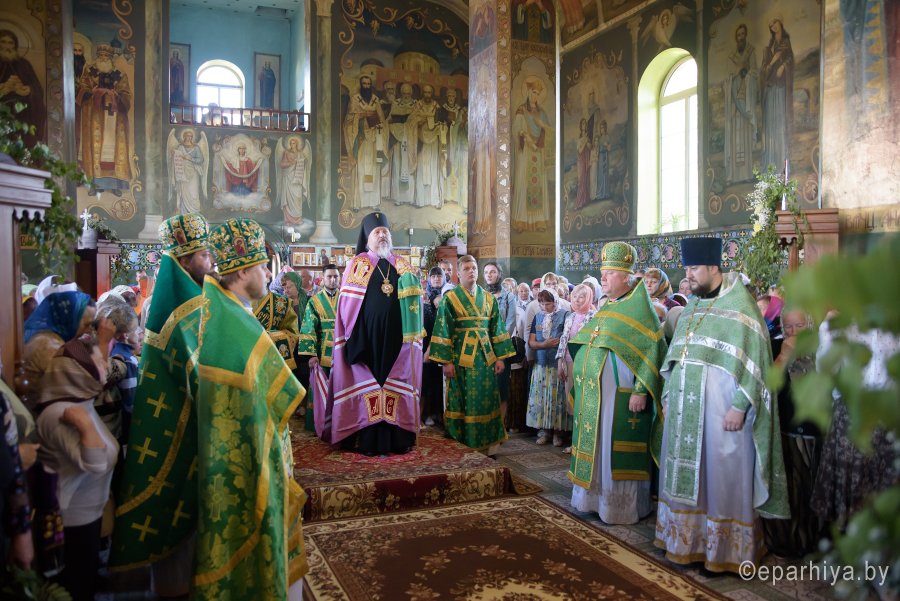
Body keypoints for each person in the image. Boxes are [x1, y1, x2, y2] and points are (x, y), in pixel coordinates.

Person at [655, 237, 788, 573]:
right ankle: (687, 543)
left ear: (714, 267)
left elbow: (756, 365)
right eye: (687, 268)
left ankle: (723, 551)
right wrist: (668, 396)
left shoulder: (741, 306)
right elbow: (676, 356)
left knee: (721, 477)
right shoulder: (693, 305)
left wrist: (740, 406)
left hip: (723, 414)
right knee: (691, 478)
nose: (689, 275)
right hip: (685, 412)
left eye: (695, 268)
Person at [195, 218, 307, 599]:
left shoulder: (220, 312)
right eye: (262, 265)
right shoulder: (237, 329)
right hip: (251, 462)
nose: (268, 274)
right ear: (242, 270)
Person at [109, 213, 214, 597]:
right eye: (204, 255)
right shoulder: (182, 308)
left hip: (176, 419)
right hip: (178, 423)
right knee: (175, 512)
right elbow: (200, 373)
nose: (211, 262)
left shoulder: (188, 302)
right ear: (185, 260)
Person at [567, 243, 667, 523]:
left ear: (626, 276)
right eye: (603, 272)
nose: (603, 278)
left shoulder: (641, 309)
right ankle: (593, 499)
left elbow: (652, 351)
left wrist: (641, 390)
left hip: (621, 397)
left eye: (609, 273)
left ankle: (618, 507)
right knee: (597, 445)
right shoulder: (608, 306)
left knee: (614, 448)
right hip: (594, 396)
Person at [36, 313, 118, 601]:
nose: (104, 368)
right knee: (76, 588)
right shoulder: (61, 413)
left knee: (86, 584)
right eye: (97, 364)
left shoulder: (79, 400)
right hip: (71, 519)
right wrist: (85, 426)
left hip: (87, 514)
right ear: (77, 373)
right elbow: (95, 463)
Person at [326, 212, 423, 454]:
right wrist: (354, 338)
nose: (382, 235)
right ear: (367, 238)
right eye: (377, 232)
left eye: (385, 232)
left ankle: (397, 439)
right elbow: (347, 307)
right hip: (366, 339)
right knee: (370, 384)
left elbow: (415, 304)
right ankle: (368, 441)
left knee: (394, 382)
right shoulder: (357, 264)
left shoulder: (402, 266)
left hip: (397, 341)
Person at [429, 256, 514, 453]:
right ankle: (461, 443)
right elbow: (443, 330)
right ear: (458, 273)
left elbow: (497, 328)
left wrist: (501, 357)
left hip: (486, 359)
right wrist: (446, 362)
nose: (471, 271)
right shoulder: (450, 299)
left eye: (474, 268)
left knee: (487, 400)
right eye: (466, 268)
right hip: (460, 359)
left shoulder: (488, 298)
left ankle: (489, 446)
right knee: (462, 400)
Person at [75, 44, 132, 195]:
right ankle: (94, 184)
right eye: (101, 55)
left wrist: (116, 96)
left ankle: (115, 183)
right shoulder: (89, 71)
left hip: (114, 119)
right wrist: (93, 92)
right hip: (94, 116)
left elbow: (126, 94)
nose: (103, 58)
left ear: (111, 58)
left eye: (106, 56)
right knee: (94, 149)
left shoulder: (119, 74)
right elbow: (82, 90)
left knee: (113, 150)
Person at [297, 263, 341, 435]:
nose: (332, 280)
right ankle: (319, 423)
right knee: (321, 388)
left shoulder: (345, 298)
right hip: (322, 353)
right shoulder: (314, 301)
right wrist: (311, 355)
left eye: (335, 276)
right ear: (322, 278)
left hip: (342, 351)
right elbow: (309, 328)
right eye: (329, 276)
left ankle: (340, 423)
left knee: (340, 387)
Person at [526, 289, 571, 446]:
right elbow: (531, 342)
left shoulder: (565, 315)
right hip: (541, 364)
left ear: (555, 302)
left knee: (557, 399)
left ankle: (558, 432)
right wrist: (543, 344)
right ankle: (545, 431)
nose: (545, 307)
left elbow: (567, 338)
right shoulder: (538, 316)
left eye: (548, 304)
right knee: (542, 399)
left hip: (557, 364)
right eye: (542, 304)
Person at [512, 77, 551, 232]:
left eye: (538, 94)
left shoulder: (542, 113)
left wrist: (543, 129)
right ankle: (521, 220)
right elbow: (516, 129)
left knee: (539, 184)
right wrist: (523, 134)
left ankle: (539, 220)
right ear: (528, 92)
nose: (535, 96)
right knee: (524, 183)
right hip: (526, 153)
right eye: (533, 92)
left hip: (538, 151)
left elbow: (549, 132)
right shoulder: (521, 110)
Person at [343, 75, 387, 211]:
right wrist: (362, 115)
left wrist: (377, 121)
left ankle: (373, 202)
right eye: (364, 84)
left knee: (374, 169)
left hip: (373, 140)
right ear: (361, 85)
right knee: (360, 170)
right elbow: (348, 119)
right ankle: (358, 202)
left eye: (368, 84)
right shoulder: (355, 99)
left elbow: (382, 119)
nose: (367, 86)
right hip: (360, 139)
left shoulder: (375, 99)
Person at [483, 262, 517, 423]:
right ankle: (487, 424)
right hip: (484, 348)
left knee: (501, 388)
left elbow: (510, 325)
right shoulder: (481, 295)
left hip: (501, 348)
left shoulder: (509, 297)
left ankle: (500, 425)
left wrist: (498, 347)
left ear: (499, 274)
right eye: (486, 272)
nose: (489, 275)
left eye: (492, 272)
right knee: (485, 388)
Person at [724, 24, 758, 184]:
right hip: (735, 105)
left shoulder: (751, 52)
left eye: (743, 34)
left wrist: (748, 76)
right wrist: (734, 77)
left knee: (745, 137)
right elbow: (727, 79)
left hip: (746, 102)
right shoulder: (731, 57)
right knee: (735, 139)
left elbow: (755, 72)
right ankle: (735, 176)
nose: (741, 37)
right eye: (738, 35)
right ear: (736, 38)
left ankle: (747, 174)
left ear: (746, 35)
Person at [0, 29, 46, 145]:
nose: (7, 46)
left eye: (10, 43)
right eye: (3, 42)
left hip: (23, 108)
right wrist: (4, 88)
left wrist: (27, 90)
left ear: (15, 45)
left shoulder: (23, 64)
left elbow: (37, 88)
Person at [760, 18, 793, 171]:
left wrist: (783, 66)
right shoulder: (769, 47)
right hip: (770, 87)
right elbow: (764, 68)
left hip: (780, 87)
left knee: (779, 124)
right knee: (770, 127)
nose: (773, 25)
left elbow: (790, 60)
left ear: (780, 23)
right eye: (770, 24)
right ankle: (770, 165)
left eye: (775, 22)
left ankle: (781, 164)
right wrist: (768, 67)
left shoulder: (786, 42)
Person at [408, 84, 444, 208]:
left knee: (434, 168)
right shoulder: (418, 105)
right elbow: (410, 121)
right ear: (423, 93)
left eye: (429, 92)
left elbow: (441, 120)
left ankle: (435, 200)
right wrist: (420, 121)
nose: (427, 95)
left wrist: (437, 124)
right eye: (425, 92)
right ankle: (420, 200)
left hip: (433, 142)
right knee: (421, 169)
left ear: (432, 93)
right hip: (421, 141)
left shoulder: (436, 105)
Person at [421, 267, 445, 427]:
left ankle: (439, 413)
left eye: (439, 276)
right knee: (426, 381)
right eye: (433, 276)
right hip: (426, 343)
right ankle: (426, 414)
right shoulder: (425, 297)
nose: (436, 279)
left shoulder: (447, 295)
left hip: (442, 343)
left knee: (439, 382)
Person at [255, 286, 300, 371]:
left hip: (271, 365)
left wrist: (270, 337)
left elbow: (292, 334)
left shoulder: (282, 302)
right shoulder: (230, 302)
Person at [386, 82, 416, 205]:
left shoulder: (416, 104)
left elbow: (417, 120)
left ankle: (410, 198)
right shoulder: (396, 103)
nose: (406, 95)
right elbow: (390, 119)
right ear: (401, 93)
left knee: (410, 164)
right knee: (398, 165)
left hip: (411, 139)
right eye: (404, 93)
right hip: (397, 139)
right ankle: (398, 198)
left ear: (411, 93)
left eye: (408, 93)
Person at [169, 129, 205, 214]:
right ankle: (184, 213)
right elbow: (176, 158)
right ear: (184, 136)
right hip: (182, 172)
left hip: (193, 172)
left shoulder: (196, 147)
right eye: (188, 136)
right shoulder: (180, 147)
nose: (189, 138)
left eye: (191, 136)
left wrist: (190, 158)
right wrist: (173, 154)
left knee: (194, 192)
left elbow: (201, 160)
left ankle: (195, 212)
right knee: (183, 193)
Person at [278, 136, 311, 225]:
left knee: (297, 198)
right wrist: (291, 163)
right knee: (288, 199)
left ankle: (298, 219)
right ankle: (288, 220)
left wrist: (303, 162)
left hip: (298, 178)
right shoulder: (286, 153)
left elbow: (305, 164)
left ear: (297, 144)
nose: (292, 145)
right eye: (291, 143)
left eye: (294, 143)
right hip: (288, 177)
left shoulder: (300, 154)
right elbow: (282, 164)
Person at [575, 118, 591, 209]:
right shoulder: (580, 139)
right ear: (581, 126)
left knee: (585, 180)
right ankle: (579, 202)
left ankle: (584, 200)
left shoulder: (587, 138)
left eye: (585, 124)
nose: (584, 125)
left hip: (586, 161)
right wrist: (585, 142)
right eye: (583, 124)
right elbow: (580, 151)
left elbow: (590, 148)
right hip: (581, 162)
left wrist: (588, 142)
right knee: (581, 181)